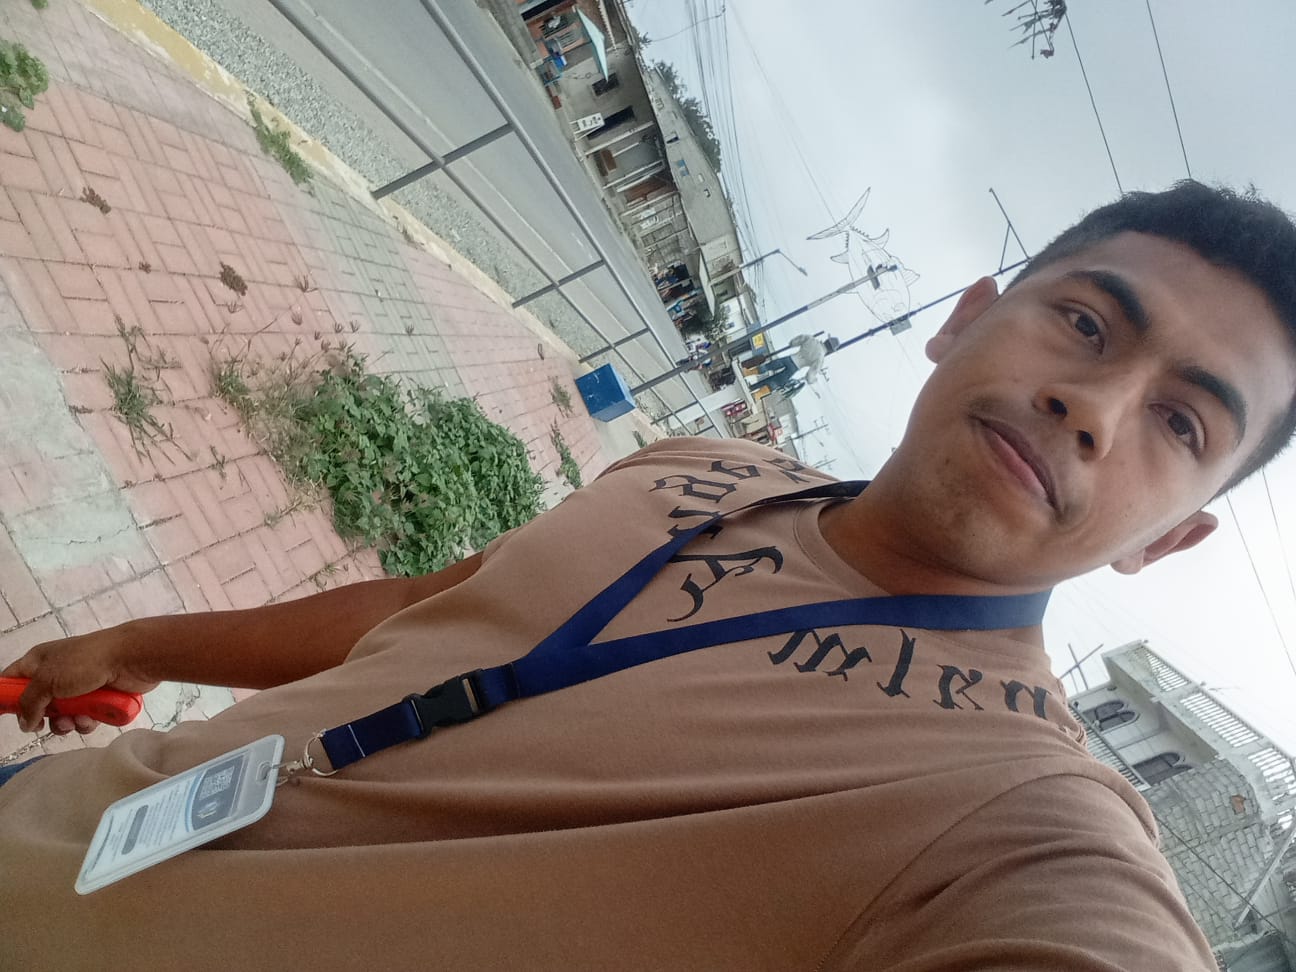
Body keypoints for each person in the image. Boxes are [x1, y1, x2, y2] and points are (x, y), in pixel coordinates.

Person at [3, 181, 1295, 969]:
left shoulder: (1018, 818)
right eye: (1086, 322)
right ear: (964, 318)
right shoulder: (705, 463)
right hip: (54, 809)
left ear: (1167, 540)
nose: (1094, 405)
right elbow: (419, 612)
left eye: (1183, 423)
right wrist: (134, 645)